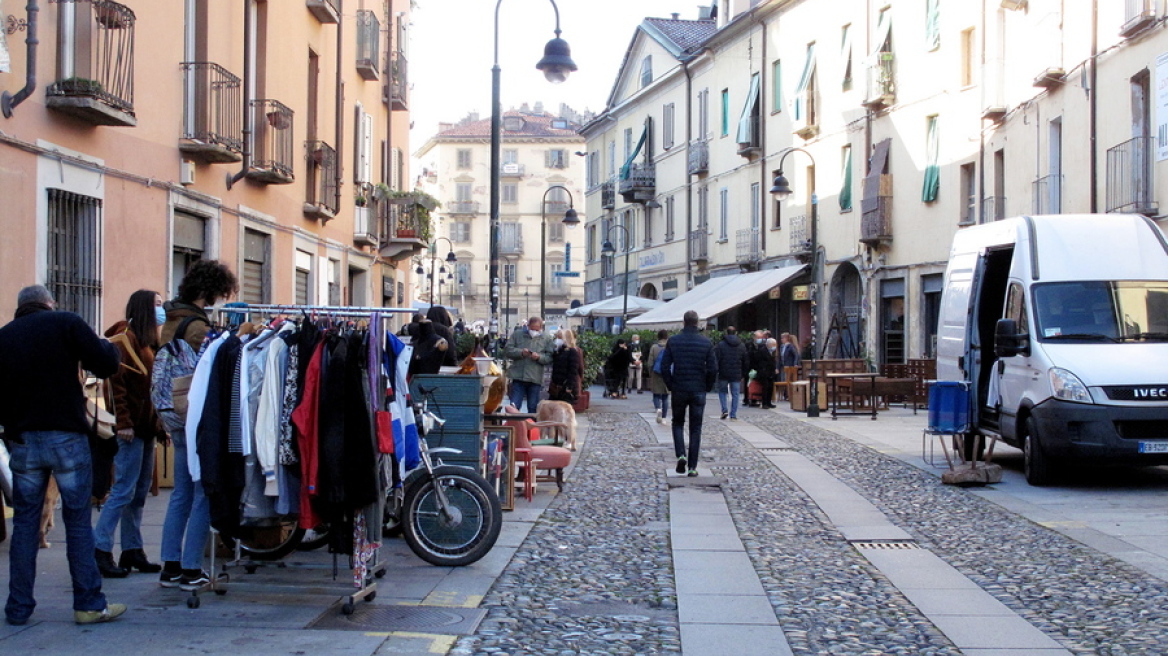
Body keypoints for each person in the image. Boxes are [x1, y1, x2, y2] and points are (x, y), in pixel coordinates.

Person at [0, 285, 127, 625]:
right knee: (77, 521)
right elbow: (106, 363)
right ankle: (88, 603)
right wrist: (103, 347)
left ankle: (17, 608)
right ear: (48, 303)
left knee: (26, 523)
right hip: (66, 437)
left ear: (21, 307)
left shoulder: (4, 337)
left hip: (23, 439)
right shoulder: (66, 323)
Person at [156, 260, 237, 591]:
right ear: (208, 292)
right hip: (195, 417)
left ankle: (170, 566)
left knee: (181, 493)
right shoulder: (198, 328)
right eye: (217, 293)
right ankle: (192, 568)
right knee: (204, 490)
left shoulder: (169, 321)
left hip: (172, 413)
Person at [93, 290, 168, 578]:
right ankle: (100, 550)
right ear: (145, 308)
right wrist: (123, 421)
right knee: (123, 490)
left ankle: (132, 550)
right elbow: (116, 382)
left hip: (145, 427)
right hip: (131, 428)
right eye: (158, 305)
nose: (162, 310)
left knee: (137, 493)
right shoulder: (125, 336)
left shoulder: (145, 340)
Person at [660, 310, 717, 477]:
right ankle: (692, 467)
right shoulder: (706, 342)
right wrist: (707, 386)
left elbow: (664, 367)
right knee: (696, 428)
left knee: (677, 423)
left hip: (679, 388)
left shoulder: (674, 341)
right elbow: (713, 369)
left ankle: (681, 454)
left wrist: (671, 384)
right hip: (698, 389)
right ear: (697, 323)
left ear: (683, 322)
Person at [503, 317, 553, 412]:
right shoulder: (517, 335)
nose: (534, 331)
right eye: (532, 328)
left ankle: (532, 426)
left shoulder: (546, 338)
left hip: (535, 377)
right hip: (518, 376)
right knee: (514, 405)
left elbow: (550, 357)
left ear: (541, 327)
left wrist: (539, 357)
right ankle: (514, 425)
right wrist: (521, 352)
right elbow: (507, 350)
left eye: (537, 329)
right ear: (528, 326)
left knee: (533, 407)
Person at [713, 326, 749, 420]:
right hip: (736, 373)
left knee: (722, 392)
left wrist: (716, 370)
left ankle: (724, 409)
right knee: (735, 394)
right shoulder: (741, 345)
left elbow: (716, 359)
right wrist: (743, 373)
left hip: (723, 372)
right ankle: (733, 414)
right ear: (736, 333)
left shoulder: (720, 345)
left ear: (726, 333)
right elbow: (745, 361)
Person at [549, 328, 584, 404]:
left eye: (559, 337)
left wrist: (569, 387)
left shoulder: (572, 351)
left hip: (565, 387)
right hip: (556, 386)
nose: (557, 340)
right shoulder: (559, 351)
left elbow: (573, 370)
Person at [647, 330, 670, 424]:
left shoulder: (654, 347)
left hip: (656, 373)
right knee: (665, 396)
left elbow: (650, 362)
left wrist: (650, 373)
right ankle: (664, 418)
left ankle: (657, 408)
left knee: (656, 394)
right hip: (667, 373)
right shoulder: (670, 347)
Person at [751, 338, 779, 409]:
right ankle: (764, 403)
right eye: (773, 345)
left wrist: (775, 368)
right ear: (769, 344)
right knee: (765, 388)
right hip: (764, 371)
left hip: (770, 372)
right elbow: (758, 361)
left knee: (770, 387)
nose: (774, 346)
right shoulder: (762, 350)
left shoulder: (772, 351)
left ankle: (769, 402)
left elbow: (773, 361)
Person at [779, 332, 802, 400]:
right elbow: (781, 357)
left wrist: (795, 364)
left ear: (787, 338)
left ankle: (790, 395)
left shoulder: (790, 346)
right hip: (784, 366)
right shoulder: (782, 346)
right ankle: (786, 394)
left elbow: (796, 355)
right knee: (784, 380)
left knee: (789, 380)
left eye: (783, 338)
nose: (781, 339)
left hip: (790, 366)